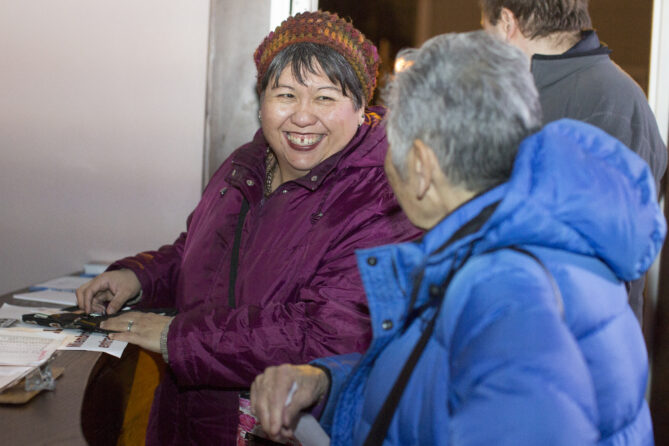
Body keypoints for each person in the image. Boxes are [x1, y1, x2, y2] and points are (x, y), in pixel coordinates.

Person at [250, 31, 664, 445]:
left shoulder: (506, 294)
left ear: (422, 166)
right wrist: (327, 382)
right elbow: (433, 386)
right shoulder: (513, 252)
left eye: (390, 147)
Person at [75, 11, 421, 445]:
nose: (302, 116)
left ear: (360, 106)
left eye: (326, 98)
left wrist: (176, 338)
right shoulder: (248, 163)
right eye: (286, 94)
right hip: (187, 419)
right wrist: (140, 277)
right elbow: (198, 253)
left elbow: (329, 335)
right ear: (261, 101)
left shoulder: (383, 197)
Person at [479, 0, 668, 325]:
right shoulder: (528, 93)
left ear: (508, 23)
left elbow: (602, 255)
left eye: (488, 33)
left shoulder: (611, 101)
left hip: (576, 348)